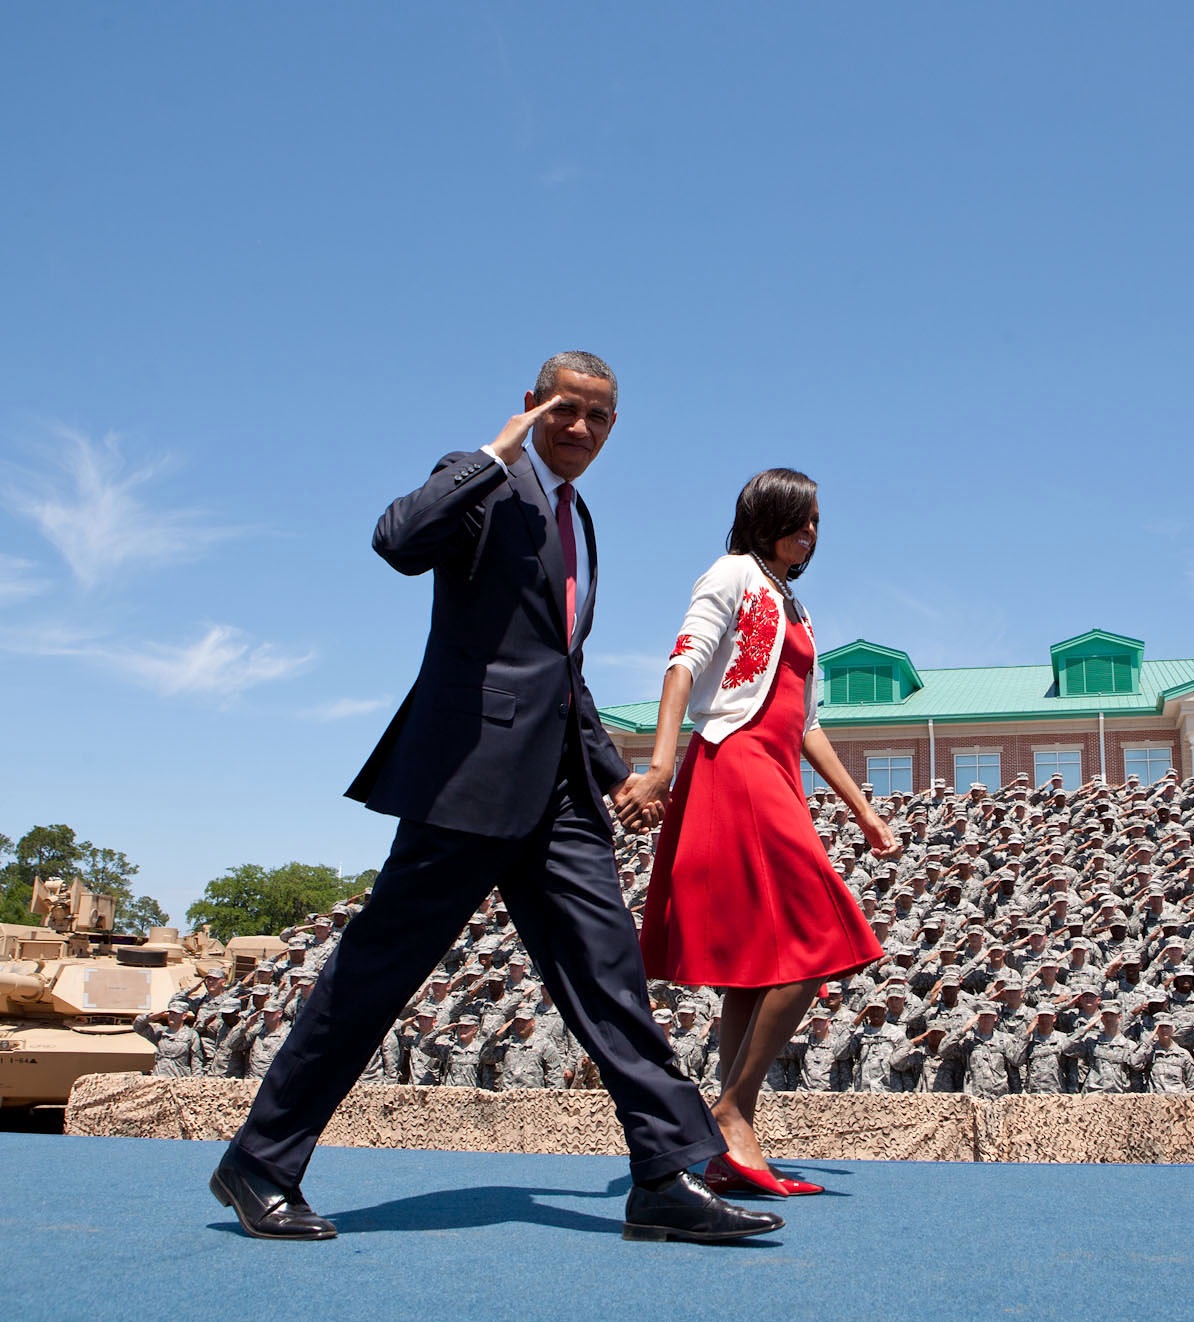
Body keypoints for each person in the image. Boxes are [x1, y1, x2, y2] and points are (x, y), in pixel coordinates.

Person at [210, 353, 777, 1246]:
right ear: (531, 405)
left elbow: (561, 671)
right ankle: (258, 1163)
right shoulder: (480, 479)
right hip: (465, 780)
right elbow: (396, 541)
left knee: (611, 978)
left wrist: (614, 770)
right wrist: (490, 453)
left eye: (599, 417)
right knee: (375, 976)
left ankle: (665, 1173)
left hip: (557, 795)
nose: (579, 429)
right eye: (564, 410)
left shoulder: (581, 519)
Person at [636, 468, 899, 1198]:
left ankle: (732, 1142)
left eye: (815, 522)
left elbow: (809, 723)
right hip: (735, 763)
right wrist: (661, 764)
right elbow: (681, 666)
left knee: (757, 965)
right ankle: (731, 1114)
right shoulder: (729, 575)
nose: (809, 533)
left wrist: (863, 809)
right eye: (797, 518)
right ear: (764, 518)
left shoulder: (797, 605)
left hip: (775, 773)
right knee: (819, 937)